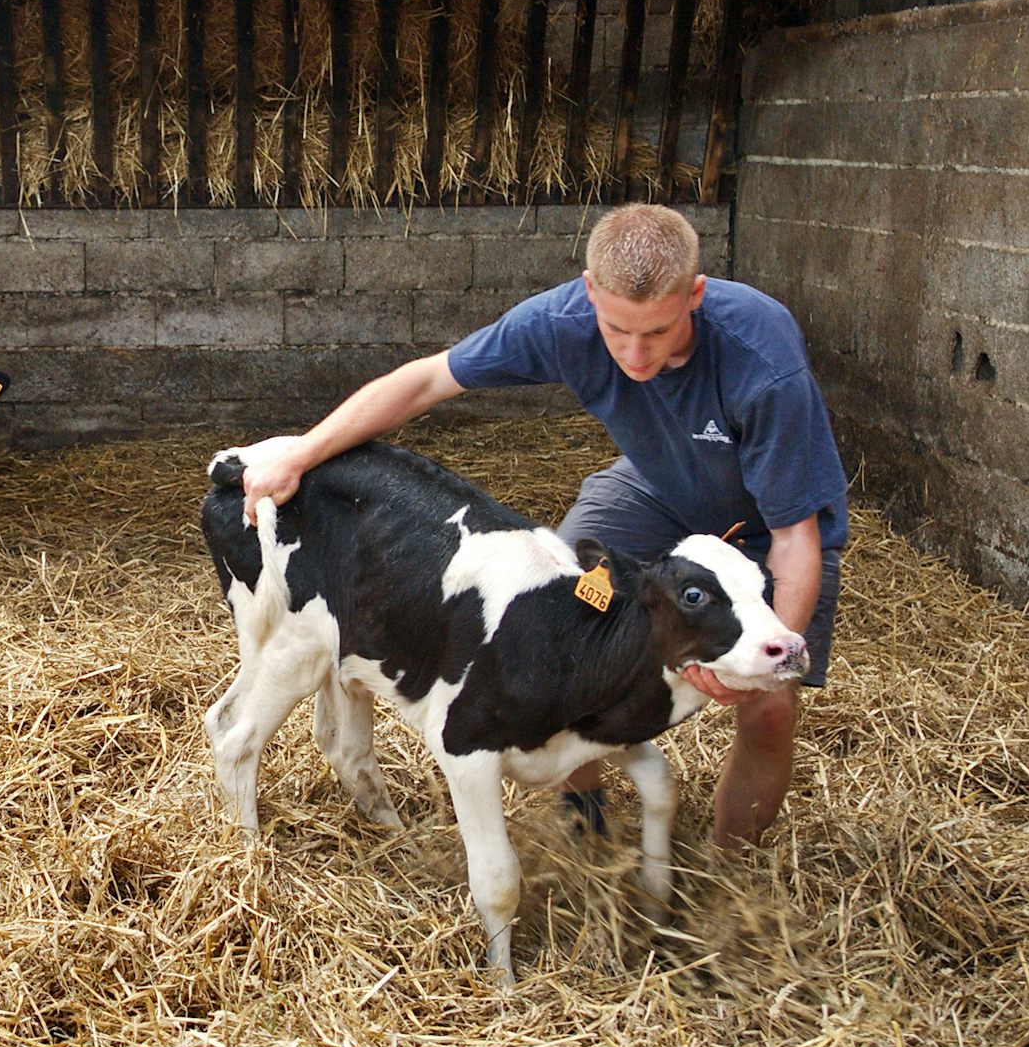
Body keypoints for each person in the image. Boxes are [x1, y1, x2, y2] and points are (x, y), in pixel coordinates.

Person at [238, 204, 847, 849]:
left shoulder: (761, 362)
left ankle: (725, 874)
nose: (635, 353)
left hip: (764, 519)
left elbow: (794, 539)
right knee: (569, 620)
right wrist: (301, 454)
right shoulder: (563, 321)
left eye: (658, 331)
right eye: (617, 330)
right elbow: (426, 381)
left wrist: (765, 659)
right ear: (590, 293)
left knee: (770, 706)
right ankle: (587, 822)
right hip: (655, 486)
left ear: (695, 295)